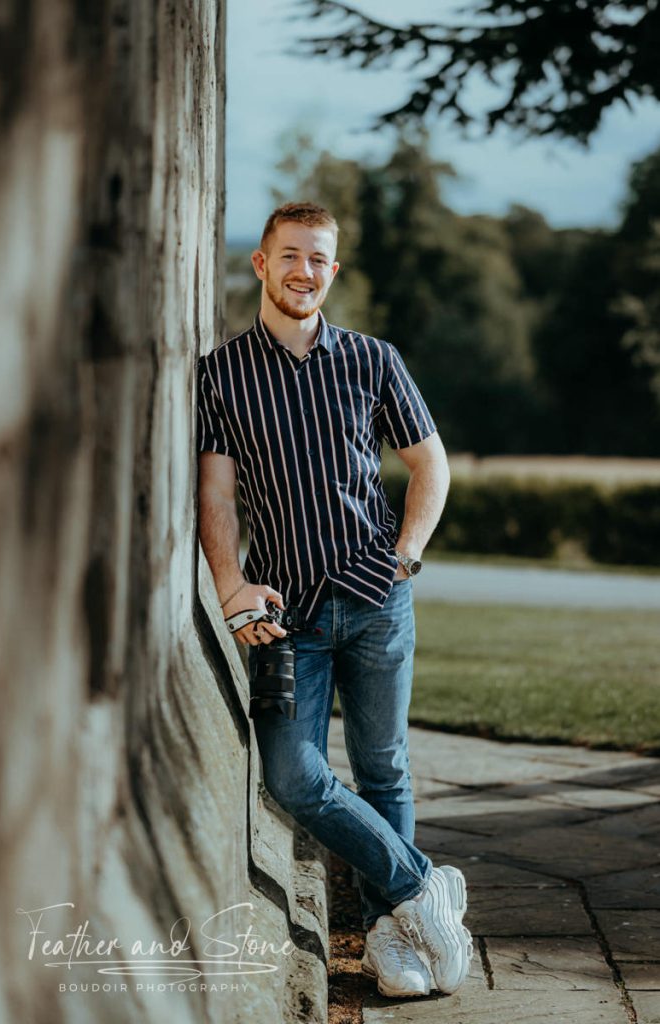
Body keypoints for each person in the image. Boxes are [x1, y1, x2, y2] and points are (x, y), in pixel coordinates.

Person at [196, 201, 473, 999]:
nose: (303, 271)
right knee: (293, 776)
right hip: (287, 611)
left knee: (385, 769)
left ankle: (397, 942)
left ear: (333, 270)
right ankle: (424, 887)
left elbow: (432, 466)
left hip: (377, 598)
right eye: (289, 256)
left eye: (318, 259)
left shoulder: (373, 360)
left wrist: (406, 557)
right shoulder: (221, 375)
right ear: (259, 263)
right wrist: (229, 585)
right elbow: (216, 496)